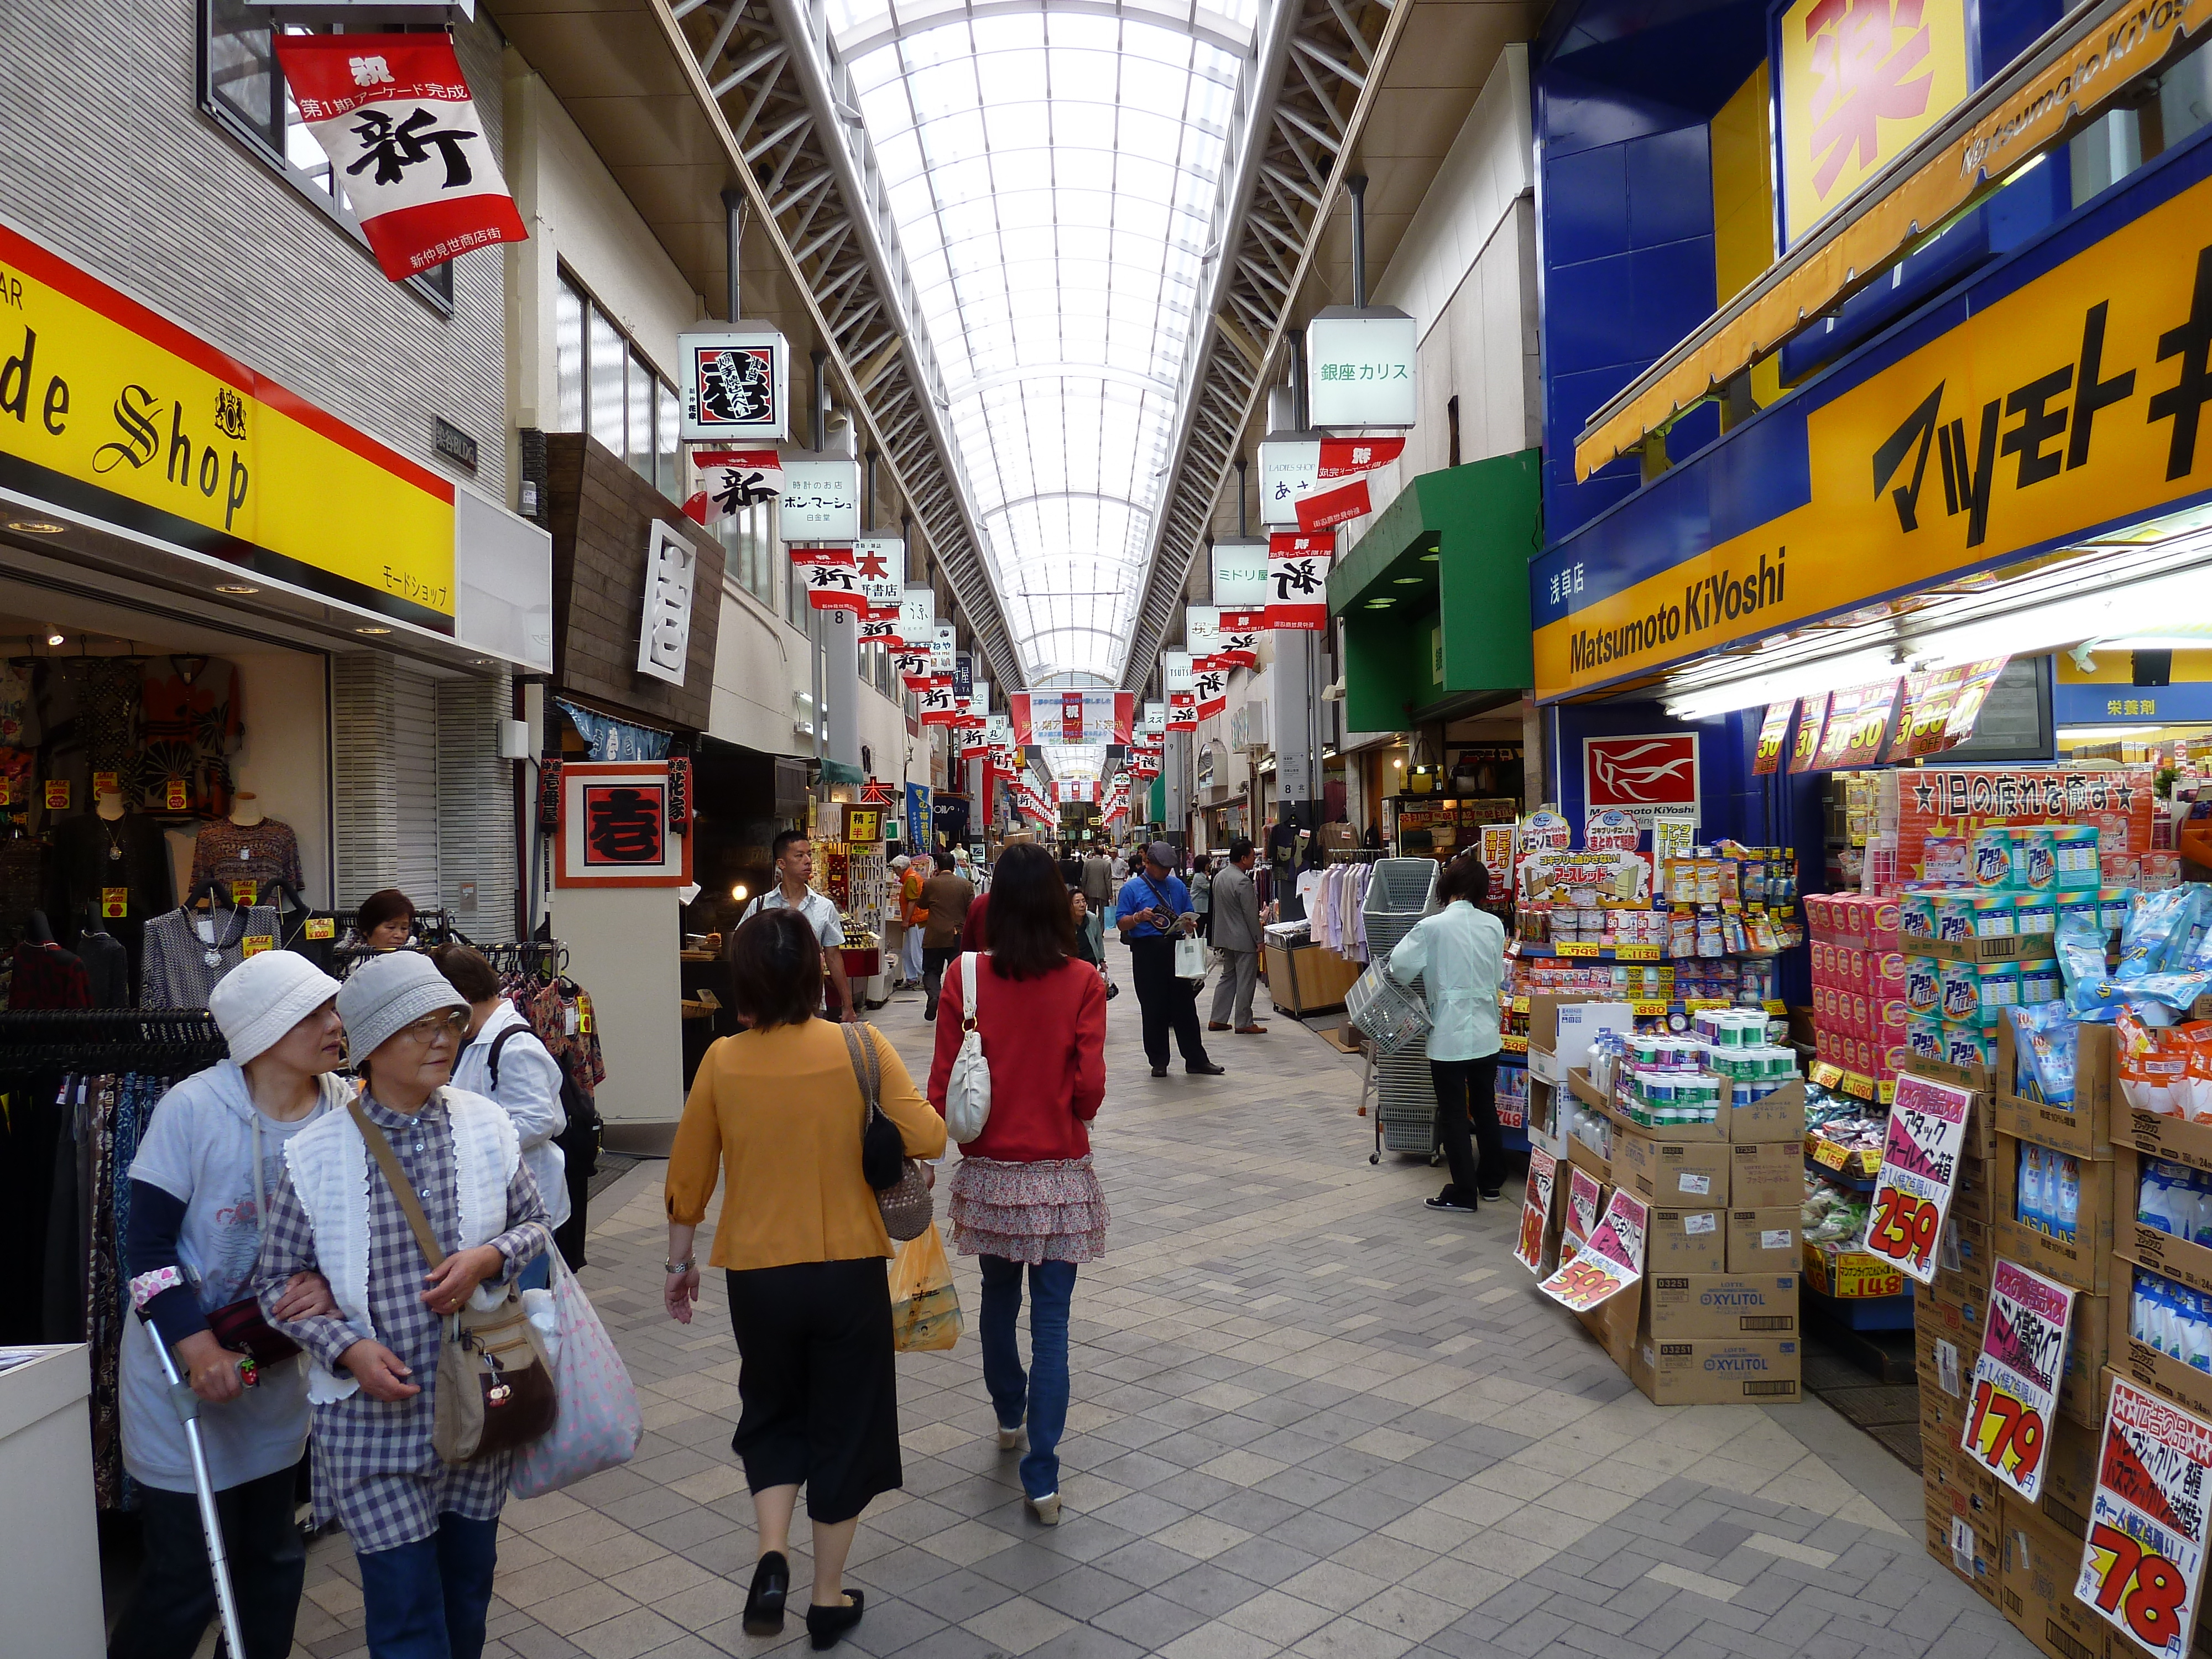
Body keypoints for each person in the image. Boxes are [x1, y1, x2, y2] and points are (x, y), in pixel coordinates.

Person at [253, 952, 554, 1659]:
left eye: (449, 1022)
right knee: (403, 1611)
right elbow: (276, 1286)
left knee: (468, 1591)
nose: (442, 1039)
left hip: (479, 1404)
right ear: (370, 1045)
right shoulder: (317, 1152)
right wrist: (348, 1349)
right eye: (418, 1028)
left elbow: (535, 1224)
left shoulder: (485, 1125)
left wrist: (488, 1257)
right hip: (370, 1419)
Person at [664, 910, 946, 1652]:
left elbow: (688, 1172)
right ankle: (826, 1598)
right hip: (848, 1268)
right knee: (845, 1426)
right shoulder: (861, 1045)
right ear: (814, 974)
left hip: (758, 1274)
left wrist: (677, 1263)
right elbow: (930, 1137)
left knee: (772, 1411)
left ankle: (770, 1555)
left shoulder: (722, 1061)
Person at [112, 952, 350, 1659]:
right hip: (181, 1376)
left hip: (276, 1374)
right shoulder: (193, 1108)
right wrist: (197, 1348)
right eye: (315, 1014)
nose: (336, 1025)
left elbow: (365, 1230)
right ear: (266, 1029)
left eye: (332, 1009)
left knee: (272, 1563)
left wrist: (332, 1285)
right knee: (186, 1574)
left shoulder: (345, 1106)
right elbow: (144, 1247)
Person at [926, 844, 1107, 1526]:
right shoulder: (1084, 980)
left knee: (997, 1300)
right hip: (1059, 1173)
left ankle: (1008, 1414)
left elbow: (943, 1085)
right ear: (1060, 905)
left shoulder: (963, 977)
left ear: (994, 903)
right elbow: (1089, 1091)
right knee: (1053, 1322)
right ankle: (1043, 1477)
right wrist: (1068, 1108)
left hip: (992, 1173)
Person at [432, 945, 568, 1290]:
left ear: (459, 995)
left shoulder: (514, 1045)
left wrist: (472, 1135)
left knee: (529, 1307)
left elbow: (539, 1119)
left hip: (530, 1205)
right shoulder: (477, 1037)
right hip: (504, 1204)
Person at [1386, 854, 1509, 1211]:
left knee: (1455, 1111)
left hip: (1449, 1034)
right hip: (1486, 1029)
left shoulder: (1432, 927)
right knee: (1486, 1107)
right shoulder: (1494, 926)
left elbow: (1400, 966)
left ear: (1447, 887)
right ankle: (1491, 1182)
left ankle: (1463, 1192)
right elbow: (1497, 976)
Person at [1114, 840, 1224, 1079]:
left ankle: (1196, 1059)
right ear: (1147, 863)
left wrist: (1189, 923)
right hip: (1147, 951)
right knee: (1153, 1007)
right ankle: (1159, 1060)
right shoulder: (1131, 889)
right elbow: (1120, 922)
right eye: (1161, 868)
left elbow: (1189, 911)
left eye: (1168, 868)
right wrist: (1138, 917)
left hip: (1175, 947)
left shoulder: (1177, 886)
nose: (1166, 872)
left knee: (1185, 1006)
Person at [739, 830, 858, 1022]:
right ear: (781, 864)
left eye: (809, 854)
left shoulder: (824, 907)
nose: (808, 861)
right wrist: (745, 1006)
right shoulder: (761, 905)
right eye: (799, 855)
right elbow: (742, 954)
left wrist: (848, 1005)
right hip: (767, 1004)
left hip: (811, 1005)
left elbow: (834, 956)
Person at [1207, 838, 1266, 1036]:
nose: (1254, 861)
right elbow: (1250, 913)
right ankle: (1244, 1021)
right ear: (1243, 858)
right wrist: (1259, 939)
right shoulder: (1243, 881)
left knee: (1228, 976)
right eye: (1252, 857)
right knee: (1246, 980)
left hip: (1224, 935)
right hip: (1242, 938)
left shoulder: (1220, 877)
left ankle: (1218, 1018)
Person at [918, 853, 975, 1020]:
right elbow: (971, 910)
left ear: (937, 866)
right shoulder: (966, 885)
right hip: (957, 934)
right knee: (956, 972)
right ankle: (955, 1005)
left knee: (931, 971)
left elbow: (921, 905)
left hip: (934, 935)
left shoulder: (930, 884)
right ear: (954, 866)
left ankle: (935, 994)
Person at [900, 855, 932, 987]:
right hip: (918, 919)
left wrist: (906, 921)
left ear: (899, 868)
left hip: (916, 920)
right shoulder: (913, 877)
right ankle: (912, 978)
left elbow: (912, 901)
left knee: (916, 951)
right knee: (908, 952)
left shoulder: (911, 879)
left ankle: (925, 979)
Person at [1079, 845, 1114, 957]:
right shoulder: (1106, 864)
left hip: (1090, 890)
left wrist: (1084, 890)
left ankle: (1091, 930)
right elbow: (1108, 880)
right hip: (1103, 891)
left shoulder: (1088, 863)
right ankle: (1100, 932)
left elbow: (1084, 878)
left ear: (1094, 852)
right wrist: (1110, 893)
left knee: (1091, 912)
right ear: (1103, 853)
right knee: (1102, 913)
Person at [1190, 854, 1214, 944]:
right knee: (1199, 930)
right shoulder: (1199, 877)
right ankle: (1194, 946)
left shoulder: (1202, 876)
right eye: (1208, 864)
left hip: (1204, 908)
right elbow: (1209, 888)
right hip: (1200, 908)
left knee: (1202, 929)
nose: (1209, 866)